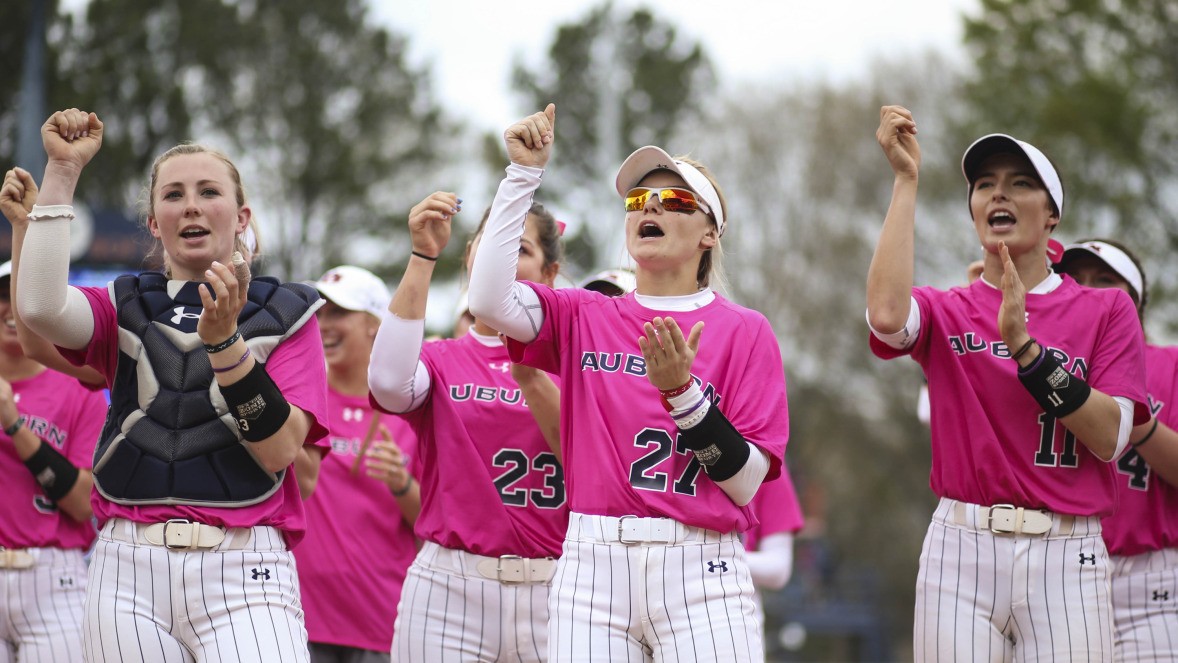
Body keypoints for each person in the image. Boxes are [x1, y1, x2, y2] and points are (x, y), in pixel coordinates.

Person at [468, 104, 790, 662]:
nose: (651, 207)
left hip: (702, 569)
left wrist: (683, 396)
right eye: (639, 200)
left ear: (709, 233)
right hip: (593, 565)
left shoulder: (746, 331)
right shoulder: (587, 314)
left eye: (674, 200)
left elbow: (745, 484)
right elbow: (487, 300)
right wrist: (522, 175)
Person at [18, 108, 329, 663]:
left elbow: (282, 450)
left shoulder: (290, 311)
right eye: (173, 194)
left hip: (243, 567)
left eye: (209, 191)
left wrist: (226, 345)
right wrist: (63, 171)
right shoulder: (124, 301)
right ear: (154, 224)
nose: (190, 204)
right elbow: (40, 308)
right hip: (125, 568)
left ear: (241, 216)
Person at [867, 105, 1149, 661]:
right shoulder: (948, 308)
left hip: (1069, 553)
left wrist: (1027, 351)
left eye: (1021, 184)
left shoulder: (1105, 309)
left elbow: (1112, 438)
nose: (998, 194)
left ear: (1052, 217)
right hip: (961, 547)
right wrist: (906, 180)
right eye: (985, 185)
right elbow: (884, 316)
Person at [367, 193, 568, 662]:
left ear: (550, 274)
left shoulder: (573, 359)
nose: (500, 257)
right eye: (490, 243)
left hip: (555, 589)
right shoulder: (441, 356)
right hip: (448, 588)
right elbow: (388, 384)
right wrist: (422, 257)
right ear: (470, 257)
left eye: (519, 249)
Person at [0, 181, 109, 662]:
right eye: (0, 298)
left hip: (55, 579)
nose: (9, 309)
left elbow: (85, 503)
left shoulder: (78, 389)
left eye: (16, 298)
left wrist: (15, 427)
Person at [1054, 239, 1178, 661]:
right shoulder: (1044, 368)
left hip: (1152, 590)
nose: (1089, 291)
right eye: (1074, 280)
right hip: (1059, 576)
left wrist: (1131, 417)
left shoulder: (1171, 365)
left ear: (1136, 305)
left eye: (1106, 281)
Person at [293, 265, 421, 663]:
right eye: (321, 313)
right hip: (297, 616)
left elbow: (434, 524)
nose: (325, 324)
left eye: (340, 313)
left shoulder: (409, 409)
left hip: (379, 622)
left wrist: (401, 483)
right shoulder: (300, 402)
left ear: (373, 324)